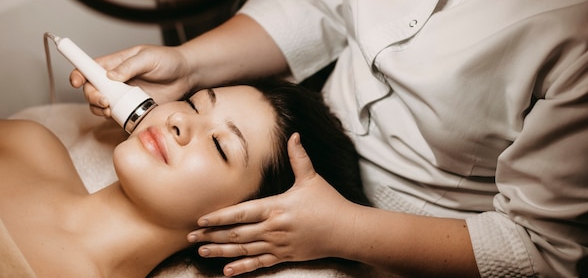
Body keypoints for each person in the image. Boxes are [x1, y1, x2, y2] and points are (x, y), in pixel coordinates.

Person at [71, 0, 588, 277]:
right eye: (197, 108)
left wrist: (345, 232)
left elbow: (547, 249)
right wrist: (189, 64)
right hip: (305, 143)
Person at [0, 78, 369, 278]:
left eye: (220, 147)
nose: (179, 121)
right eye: (195, 103)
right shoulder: (30, 145)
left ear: (250, 221)